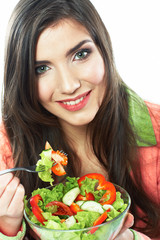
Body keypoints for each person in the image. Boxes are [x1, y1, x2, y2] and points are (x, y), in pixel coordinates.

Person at [0, 0, 159, 239]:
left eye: (80, 54)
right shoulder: (6, 151)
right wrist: (8, 228)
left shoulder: (156, 129)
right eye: (41, 69)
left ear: (103, 47)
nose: (69, 85)